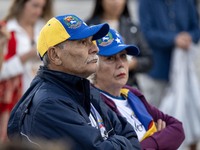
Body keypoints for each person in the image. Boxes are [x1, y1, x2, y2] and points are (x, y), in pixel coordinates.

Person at [7, 14, 141, 150]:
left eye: (91, 41)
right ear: (55, 55)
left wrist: (115, 142)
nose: (95, 49)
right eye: (83, 42)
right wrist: (120, 142)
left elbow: (131, 135)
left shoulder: (83, 88)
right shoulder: (49, 104)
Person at [89, 28, 185, 149]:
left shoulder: (131, 93)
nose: (121, 64)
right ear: (93, 65)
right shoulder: (94, 103)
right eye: (110, 58)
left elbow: (177, 128)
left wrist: (151, 143)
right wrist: (159, 139)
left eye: (123, 56)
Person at [0, 0, 53, 142]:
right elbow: (1, 71)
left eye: (42, 7)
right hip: (14, 104)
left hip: (42, 102)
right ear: (21, 4)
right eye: (35, 6)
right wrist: (26, 56)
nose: (39, 12)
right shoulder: (6, 31)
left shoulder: (46, 29)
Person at [86, 0, 153, 87]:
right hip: (97, 86)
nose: (116, 2)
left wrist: (133, 63)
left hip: (128, 86)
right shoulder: (88, 28)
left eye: (123, 56)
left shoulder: (132, 28)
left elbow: (148, 59)